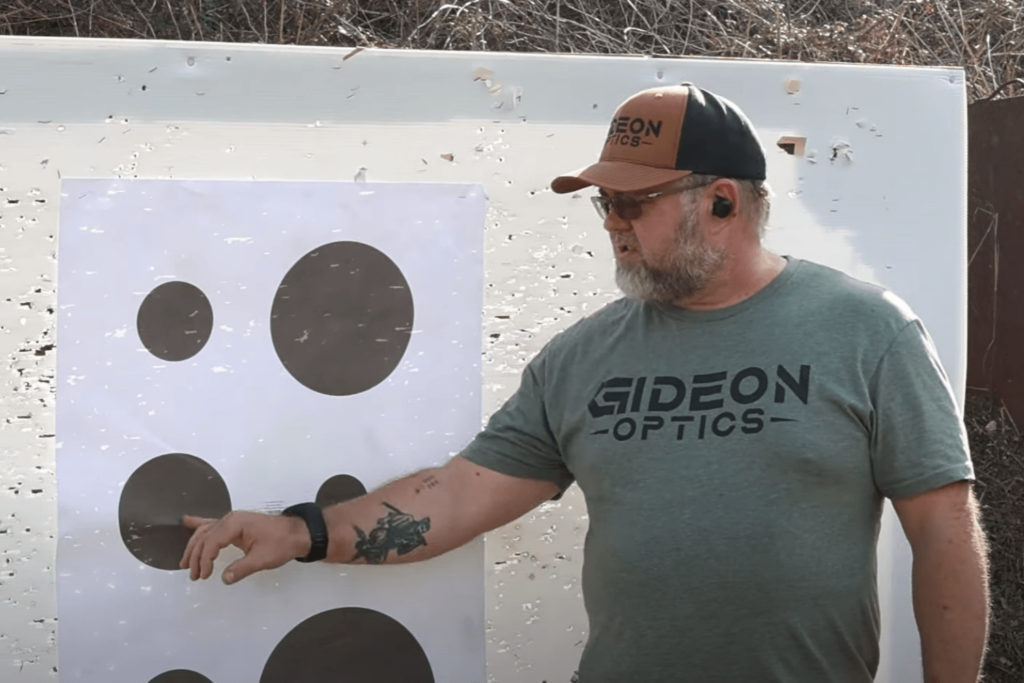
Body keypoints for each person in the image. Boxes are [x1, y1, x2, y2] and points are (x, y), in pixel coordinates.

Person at [181, 83, 990, 683]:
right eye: (604, 203)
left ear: (721, 201)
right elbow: (458, 494)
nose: (612, 223)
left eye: (633, 202)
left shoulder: (866, 330)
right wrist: (303, 530)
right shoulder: (583, 358)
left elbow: (944, 527)